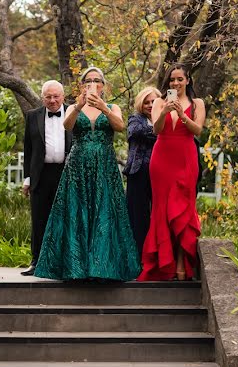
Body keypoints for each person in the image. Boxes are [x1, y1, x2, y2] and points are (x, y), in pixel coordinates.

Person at [34, 67, 142, 281]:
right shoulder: (74, 106)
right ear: (82, 85)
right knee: (77, 210)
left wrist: (104, 108)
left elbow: (120, 126)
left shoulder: (112, 106)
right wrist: (79, 106)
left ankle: (102, 268)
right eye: (88, 81)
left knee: (104, 211)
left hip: (104, 166)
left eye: (96, 81)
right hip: (78, 166)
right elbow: (67, 126)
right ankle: (76, 267)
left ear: (103, 85)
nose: (93, 84)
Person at [139, 63, 205, 282]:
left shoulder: (197, 103)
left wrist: (182, 115)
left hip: (186, 158)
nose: (175, 83)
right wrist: (165, 111)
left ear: (188, 80)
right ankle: (162, 264)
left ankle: (180, 264)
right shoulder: (159, 101)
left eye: (179, 79)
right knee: (162, 209)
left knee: (184, 210)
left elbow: (198, 131)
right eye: (172, 80)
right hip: (162, 159)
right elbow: (156, 130)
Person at [20, 80, 72, 276]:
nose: (52, 100)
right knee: (39, 219)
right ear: (42, 98)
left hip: (66, 174)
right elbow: (28, 149)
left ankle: (65, 262)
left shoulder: (74, 112)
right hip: (40, 175)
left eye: (56, 96)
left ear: (63, 96)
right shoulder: (33, 116)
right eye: (48, 97)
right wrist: (27, 179)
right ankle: (36, 262)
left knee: (66, 218)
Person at [123, 86, 160, 257]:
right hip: (137, 172)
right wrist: (158, 131)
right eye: (147, 102)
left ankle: (154, 256)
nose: (151, 105)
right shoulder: (135, 118)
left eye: (154, 101)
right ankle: (136, 256)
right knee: (136, 215)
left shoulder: (166, 118)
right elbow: (134, 132)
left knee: (157, 215)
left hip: (160, 173)